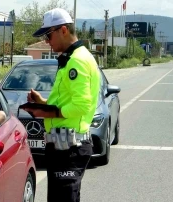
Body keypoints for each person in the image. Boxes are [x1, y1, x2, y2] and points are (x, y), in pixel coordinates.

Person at [21, 8, 101, 202]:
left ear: (63, 30)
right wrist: (44, 103)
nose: (47, 41)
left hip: (69, 148)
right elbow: (68, 102)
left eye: (49, 35)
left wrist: (48, 112)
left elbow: (81, 105)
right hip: (63, 146)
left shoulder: (77, 61)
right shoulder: (72, 59)